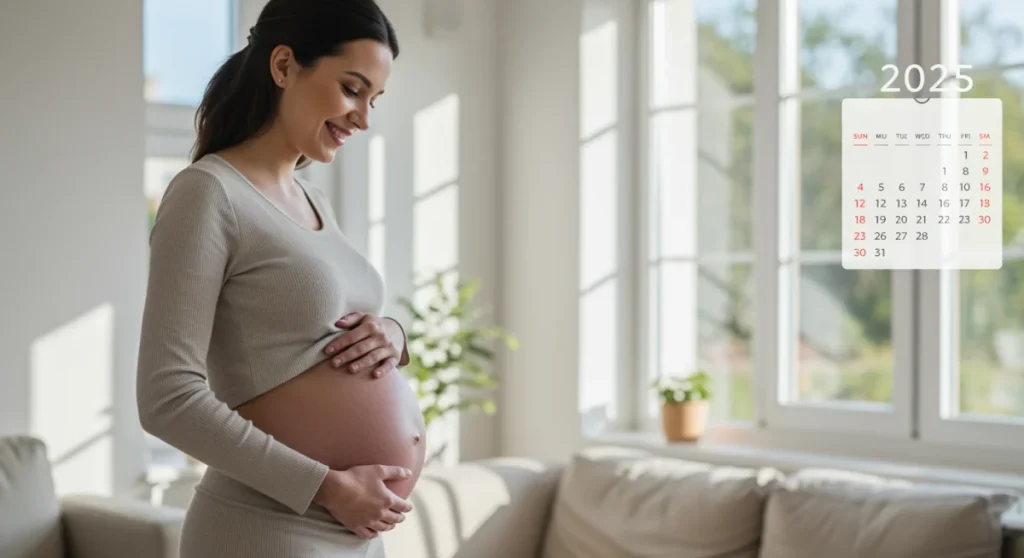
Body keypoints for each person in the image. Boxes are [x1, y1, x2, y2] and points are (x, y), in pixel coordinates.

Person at [135, 0, 426, 556]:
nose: (363, 118)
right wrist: (327, 487)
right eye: (351, 89)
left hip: (355, 533)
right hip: (268, 529)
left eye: (374, 99)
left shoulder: (310, 195)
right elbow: (166, 397)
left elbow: (318, 324)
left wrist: (393, 332)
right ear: (285, 67)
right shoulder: (207, 193)